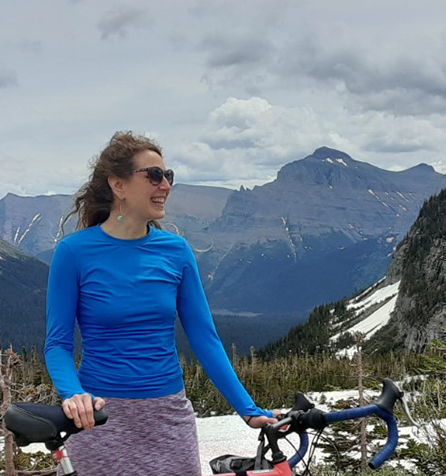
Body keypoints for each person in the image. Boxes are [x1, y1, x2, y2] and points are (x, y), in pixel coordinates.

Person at [44, 132, 276, 475]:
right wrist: (72, 394)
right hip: (99, 418)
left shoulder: (176, 251)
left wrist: (248, 409)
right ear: (118, 185)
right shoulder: (73, 252)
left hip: (168, 416)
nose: (165, 185)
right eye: (153, 175)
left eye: (168, 175)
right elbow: (57, 344)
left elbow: (204, 338)